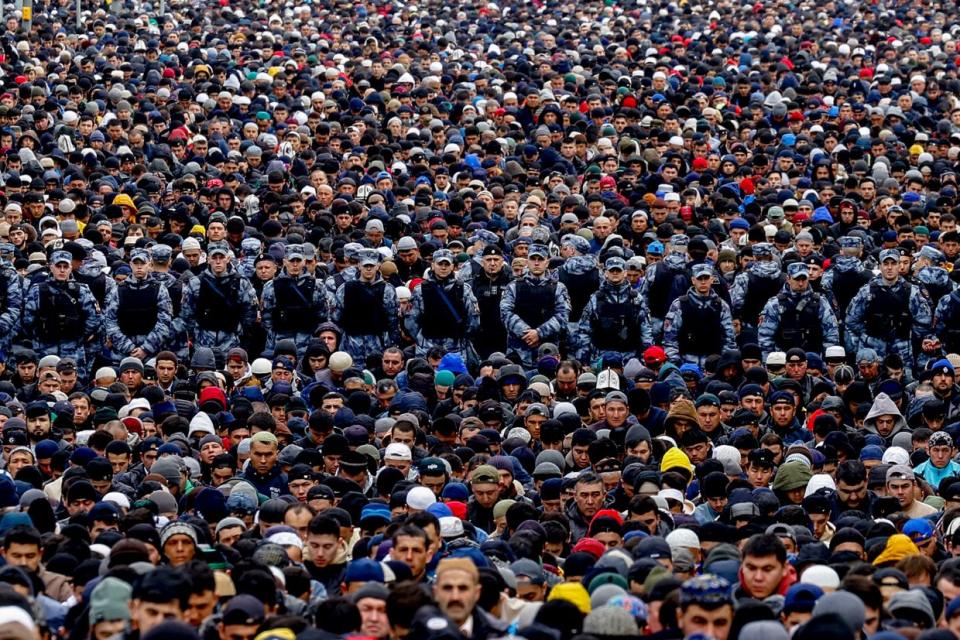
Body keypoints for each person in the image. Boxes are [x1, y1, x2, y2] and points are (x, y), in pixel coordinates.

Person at [845, 248, 932, 379]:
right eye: (886, 264)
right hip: (873, 350)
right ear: (880, 266)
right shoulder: (867, 291)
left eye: (893, 263)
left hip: (901, 350)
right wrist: (868, 334)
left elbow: (924, 321)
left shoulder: (912, 292)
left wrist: (906, 334)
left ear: (899, 265)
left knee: (904, 383)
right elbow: (851, 320)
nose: (889, 268)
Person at [23, 250, 101, 379]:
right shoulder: (38, 290)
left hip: (73, 348)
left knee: (74, 382)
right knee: (46, 381)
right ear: (51, 267)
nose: (62, 270)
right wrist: (40, 337)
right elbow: (28, 319)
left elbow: (94, 318)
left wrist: (79, 336)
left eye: (66, 267)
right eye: (58, 266)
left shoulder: (81, 290)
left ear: (71, 267)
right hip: (45, 346)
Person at [180, 242, 258, 364]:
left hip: (232, 337)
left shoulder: (241, 283)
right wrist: (194, 333)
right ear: (208, 259)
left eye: (221, 257)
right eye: (214, 258)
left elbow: (249, 313)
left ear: (227, 258)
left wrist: (241, 333)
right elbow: (187, 312)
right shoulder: (196, 283)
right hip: (203, 338)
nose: (218, 261)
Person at [501, 244, 570, 367]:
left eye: (540, 259)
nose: (536, 263)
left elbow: (563, 315)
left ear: (547, 262)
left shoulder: (558, 288)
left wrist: (539, 333)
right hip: (519, 350)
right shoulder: (513, 286)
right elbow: (505, 312)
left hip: (548, 351)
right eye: (533, 259)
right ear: (527, 262)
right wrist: (527, 333)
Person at [574, 256, 651, 365]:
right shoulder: (596, 299)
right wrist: (583, 360)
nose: (615, 273)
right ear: (606, 273)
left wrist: (645, 360)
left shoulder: (636, 299)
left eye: (618, 270)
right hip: (601, 358)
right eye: (612, 270)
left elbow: (646, 331)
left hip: (630, 357)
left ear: (624, 273)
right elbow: (584, 330)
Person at [405, 249, 480, 359]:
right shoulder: (420, 290)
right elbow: (411, 321)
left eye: (447, 264)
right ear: (433, 265)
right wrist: (422, 340)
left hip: (455, 347)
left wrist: (461, 337)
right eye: (440, 264)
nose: (443, 267)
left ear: (453, 266)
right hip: (427, 347)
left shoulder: (464, 289)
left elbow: (473, 320)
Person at [104, 248, 174, 364]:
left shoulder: (160, 289)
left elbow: (164, 322)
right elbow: (110, 322)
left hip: (152, 352)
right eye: (136, 263)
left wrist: (145, 349)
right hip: (122, 352)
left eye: (143, 263)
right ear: (130, 265)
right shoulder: (118, 290)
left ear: (150, 265)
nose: (139, 267)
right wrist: (129, 348)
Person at [758, 262, 840, 359]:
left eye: (804, 279)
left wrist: (824, 360)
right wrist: (770, 362)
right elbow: (765, 337)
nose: (801, 283)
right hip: (782, 358)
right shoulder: (775, 304)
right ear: (788, 279)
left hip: (813, 357)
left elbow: (832, 334)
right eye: (796, 279)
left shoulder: (821, 303)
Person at [261, 243, 328, 359]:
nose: (295, 264)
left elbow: (323, 316)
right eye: (292, 261)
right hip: (279, 340)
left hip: (308, 340)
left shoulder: (318, 286)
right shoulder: (271, 286)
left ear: (304, 261)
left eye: (298, 260)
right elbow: (266, 316)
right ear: (285, 261)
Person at [332, 249, 400, 362]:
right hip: (351, 343)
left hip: (378, 342)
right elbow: (336, 318)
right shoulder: (345, 289)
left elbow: (393, 320)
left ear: (378, 266)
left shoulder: (387, 289)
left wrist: (392, 345)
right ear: (359, 265)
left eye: (371, 266)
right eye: (365, 265)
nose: (368, 269)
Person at [663, 263, 737, 367]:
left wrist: (724, 363)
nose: (703, 282)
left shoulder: (721, 306)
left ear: (712, 280)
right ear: (693, 280)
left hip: (713, 363)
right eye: (699, 278)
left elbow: (729, 339)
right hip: (685, 362)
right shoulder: (679, 304)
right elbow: (670, 338)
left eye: (706, 278)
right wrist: (675, 361)